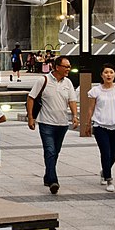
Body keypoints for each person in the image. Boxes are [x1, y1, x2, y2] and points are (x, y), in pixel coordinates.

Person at [26, 55, 79, 194]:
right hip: (46, 123)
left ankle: (47, 176)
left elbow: (72, 101)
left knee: (55, 152)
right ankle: (53, 181)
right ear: (57, 67)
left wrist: (75, 116)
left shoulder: (68, 83)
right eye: (66, 66)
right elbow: (31, 98)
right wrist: (31, 118)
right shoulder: (43, 80)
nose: (69, 69)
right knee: (50, 151)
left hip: (62, 124)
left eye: (69, 66)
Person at [85, 64, 115, 192]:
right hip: (100, 125)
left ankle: (104, 171)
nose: (109, 75)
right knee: (105, 152)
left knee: (113, 154)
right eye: (106, 72)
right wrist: (88, 124)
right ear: (101, 75)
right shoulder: (96, 91)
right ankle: (109, 179)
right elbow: (90, 108)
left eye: (111, 72)